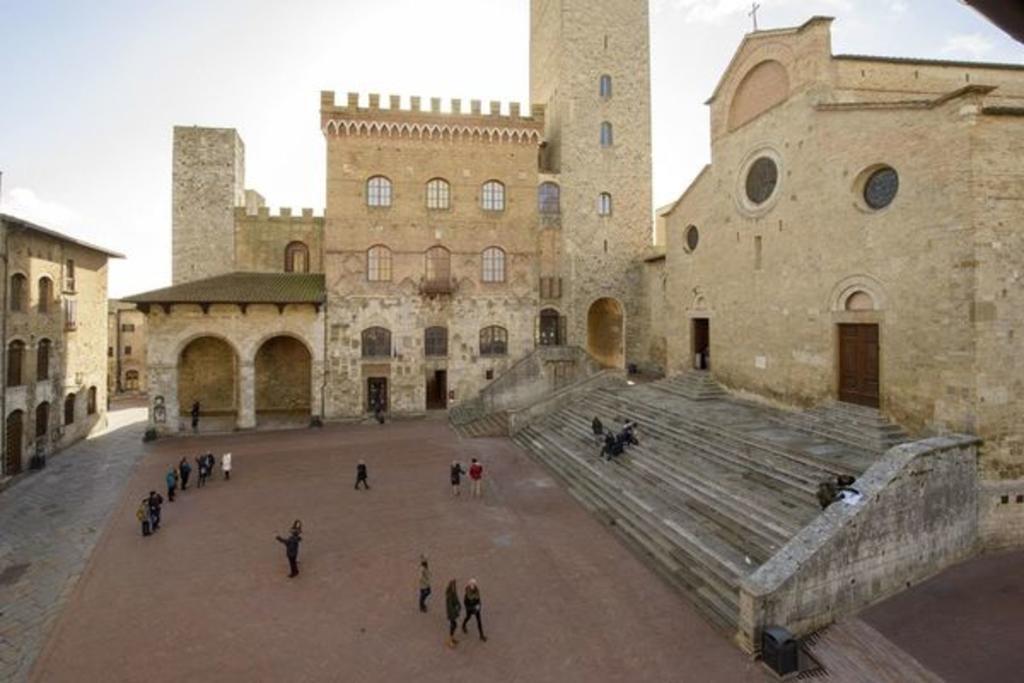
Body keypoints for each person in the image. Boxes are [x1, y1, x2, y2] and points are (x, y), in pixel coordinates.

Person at [445, 579, 461, 648]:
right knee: (453, 625)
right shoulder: (449, 595)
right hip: (451, 613)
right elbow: (449, 606)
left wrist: (458, 605)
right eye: (453, 586)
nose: (454, 587)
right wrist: (455, 611)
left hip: (454, 612)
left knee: (454, 625)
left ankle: (452, 638)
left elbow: (456, 600)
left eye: (454, 586)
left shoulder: (454, 593)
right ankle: (450, 640)